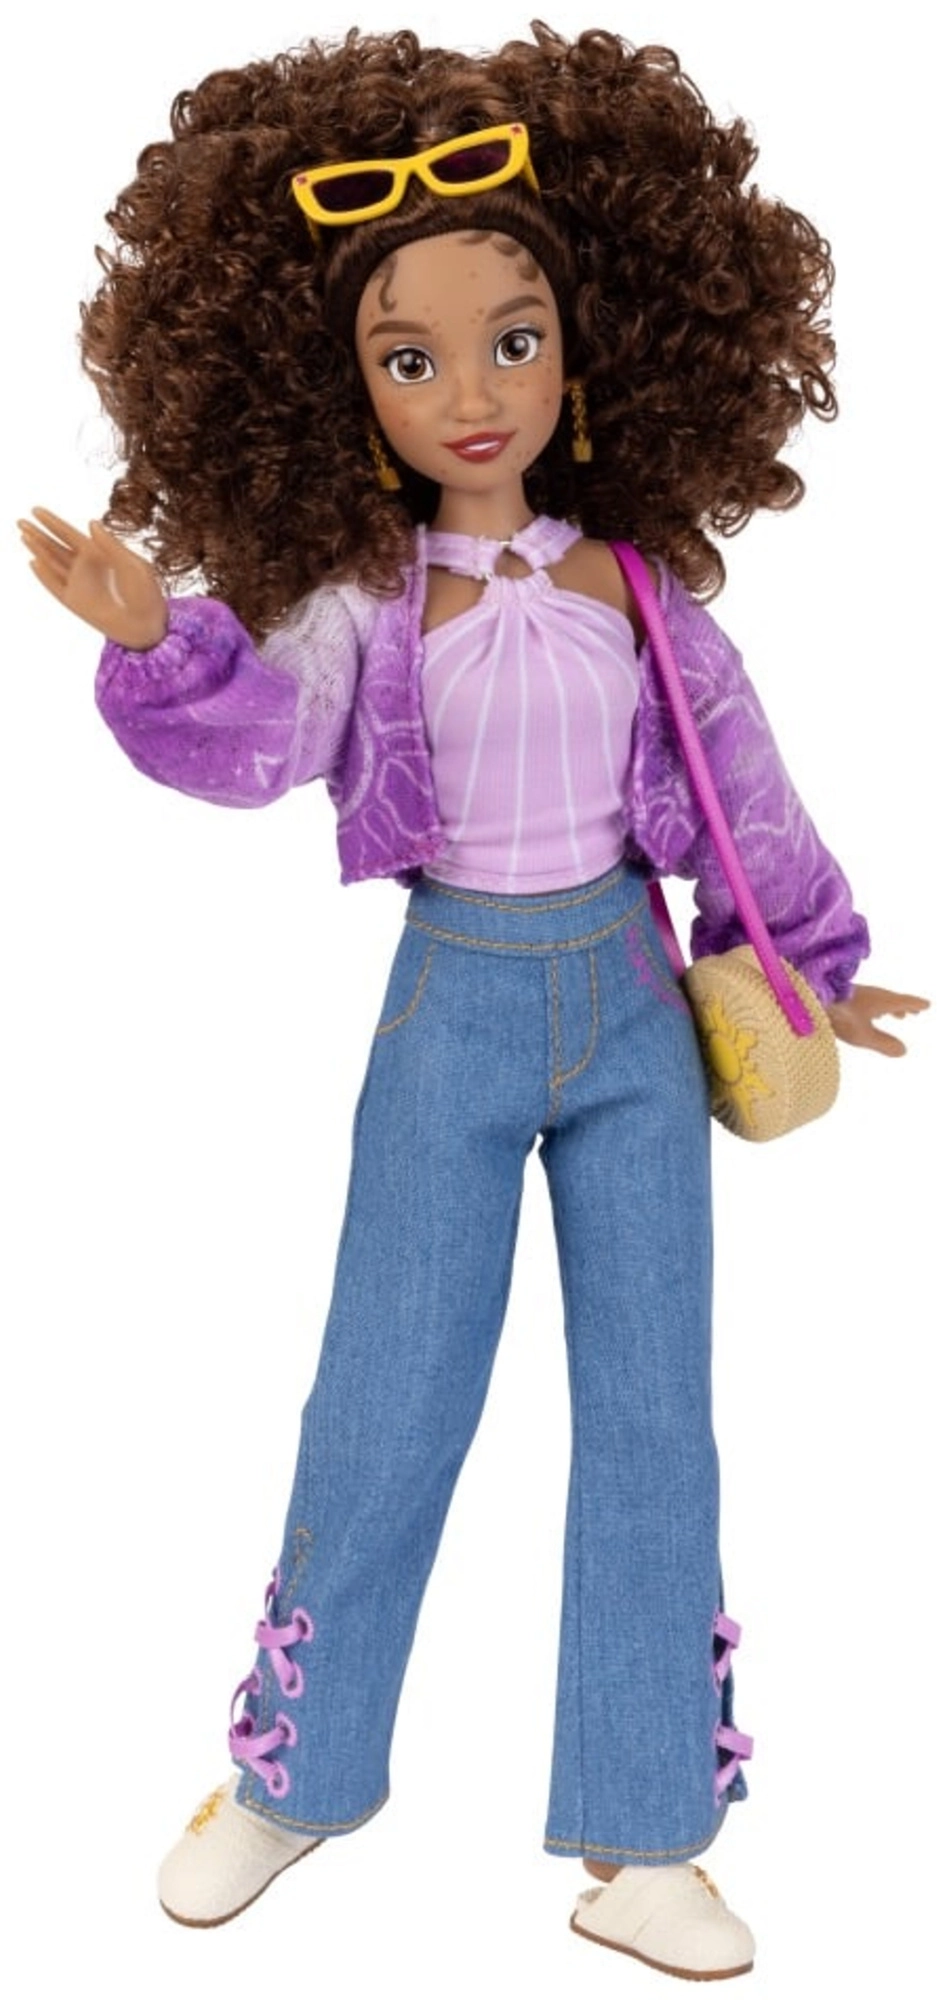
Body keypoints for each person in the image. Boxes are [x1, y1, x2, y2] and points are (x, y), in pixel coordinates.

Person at [19, 23, 926, 1980]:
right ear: (335, 390)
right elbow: (256, 742)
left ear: (588, 345)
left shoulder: (636, 593)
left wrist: (804, 961)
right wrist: (156, 645)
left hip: (629, 1005)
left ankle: (646, 1827)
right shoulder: (362, 609)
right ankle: (293, 1773)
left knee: (654, 1414)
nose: (473, 392)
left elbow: (738, 786)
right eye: (409, 358)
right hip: (454, 1001)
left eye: (512, 338)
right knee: (388, 1394)